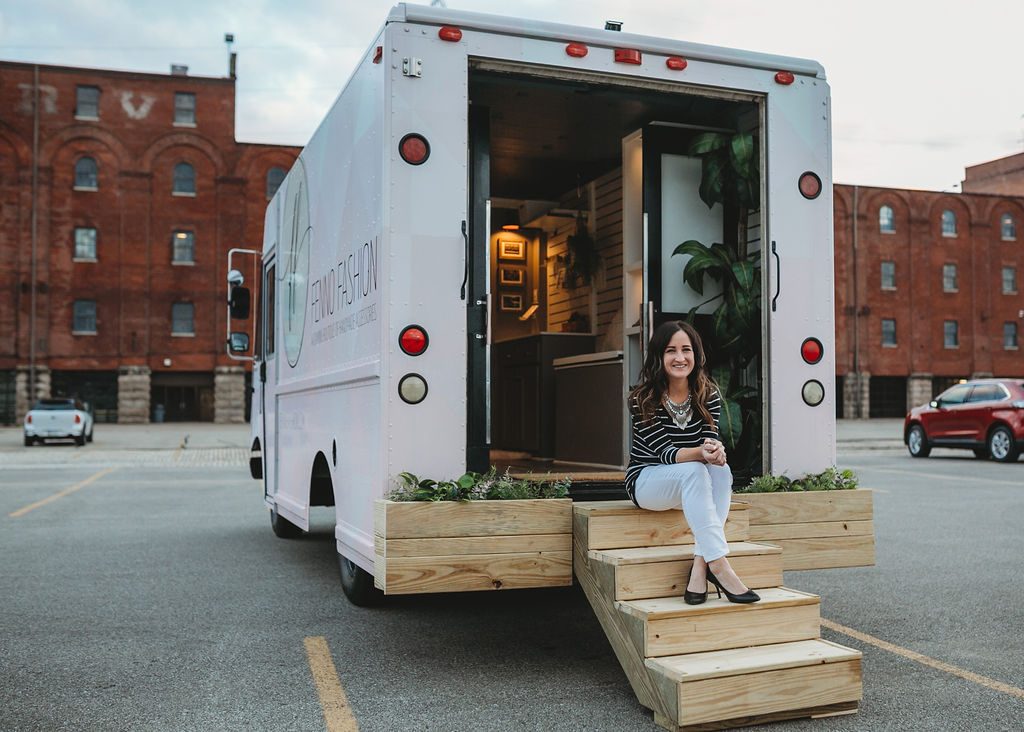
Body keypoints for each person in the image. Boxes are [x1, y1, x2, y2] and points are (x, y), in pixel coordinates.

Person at [625, 320, 759, 605]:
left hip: (690, 485)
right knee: (698, 469)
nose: (680, 357)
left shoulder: (708, 394)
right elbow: (665, 453)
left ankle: (701, 566)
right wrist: (703, 452)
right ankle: (720, 565)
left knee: (720, 471)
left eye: (686, 350)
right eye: (671, 350)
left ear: (695, 355)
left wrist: (715, 450)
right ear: (659, 356)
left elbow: (708, 440)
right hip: (648, 482)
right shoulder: (641, 398)